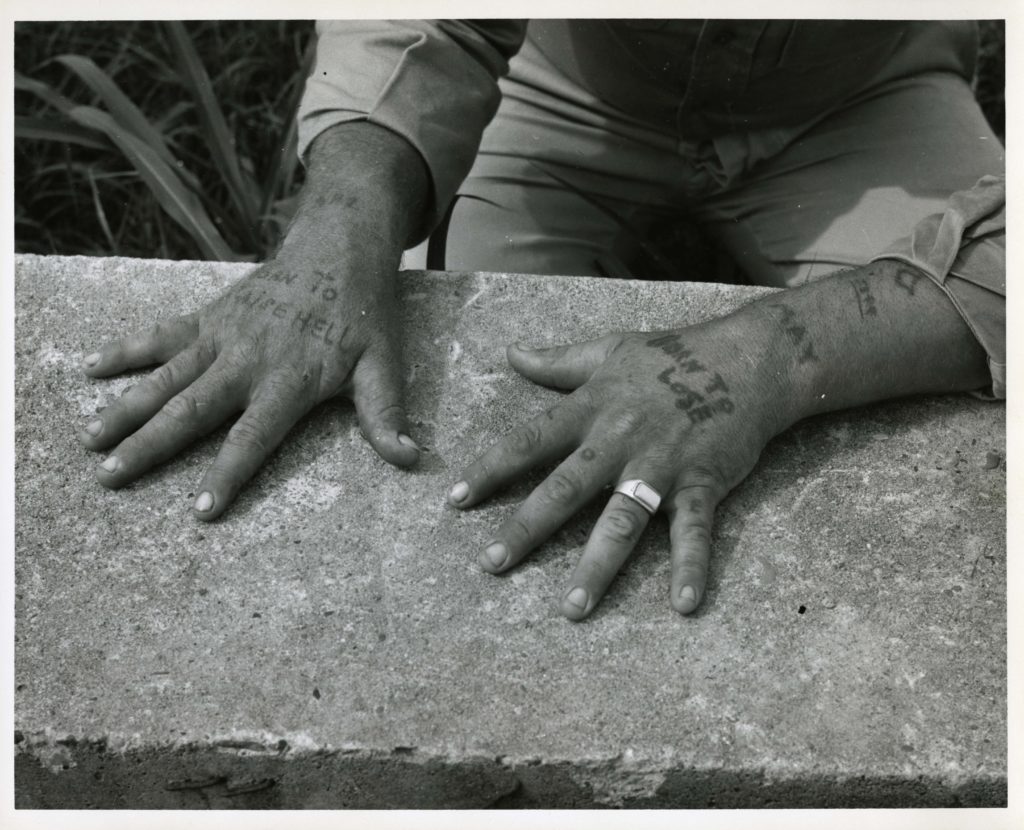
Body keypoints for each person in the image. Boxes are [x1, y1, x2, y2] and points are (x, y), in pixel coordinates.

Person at [77, 20, 1004, 622]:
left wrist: (765, 359)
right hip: (567, 80)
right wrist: (342, 221)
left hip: (867, 94)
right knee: (461, 384)